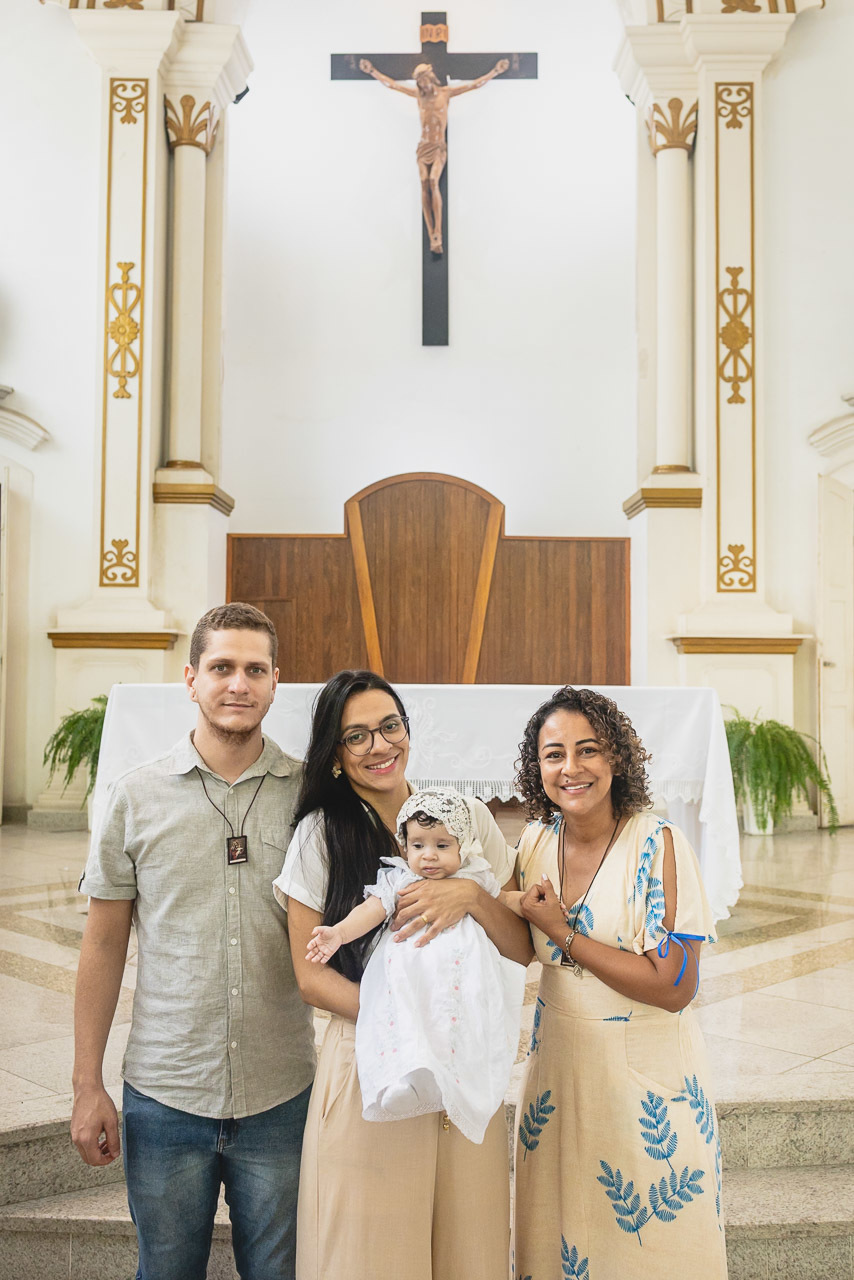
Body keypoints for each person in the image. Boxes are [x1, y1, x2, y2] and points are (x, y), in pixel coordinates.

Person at [71, 603, 315, 1280]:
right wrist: (86, 1083)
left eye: (255, 670)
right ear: (191, 679)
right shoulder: (136, 795)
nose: (238, 684)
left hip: (280, 1092)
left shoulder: (308, 795)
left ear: (274, 683)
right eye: (222, 668)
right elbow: (101, 945)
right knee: (167, 1270)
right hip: (166, 1091)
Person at [273, 669, 532, 1280]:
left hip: (462, 1057)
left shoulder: (466, 815)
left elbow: (520, 946)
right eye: (356, 736)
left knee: (472, 1253)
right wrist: (408, 1023)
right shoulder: (320, 834)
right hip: (372, 1058)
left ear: (408, 731)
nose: (379, 746)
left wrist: (470, 896)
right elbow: (310, 978)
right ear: (334, 756)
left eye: (389, 727)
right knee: (371, 1257)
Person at [511, 686, 727, 1280]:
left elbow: (675, 985)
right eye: (553, 754)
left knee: (648, 1254)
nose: (571, 768)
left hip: (644, 1082)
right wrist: (467, 896)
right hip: (558, 1077)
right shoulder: (533, 842)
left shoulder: (656, 845)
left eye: (588, 751)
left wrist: (563, 932)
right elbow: (515, 945)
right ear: (537, 766)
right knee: (559, 1236)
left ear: (617, 759)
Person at [306, 786, 526, 1143]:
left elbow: (503, 899)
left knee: (461, 1023)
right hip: (411, 972)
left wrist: (528, 902)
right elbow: (371, 910)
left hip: (460, 974)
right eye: (419, 846)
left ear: (462, 847)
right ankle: (400, 1079)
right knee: (406, 1019)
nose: (429, 856)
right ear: (404, 847)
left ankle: (461, 1082)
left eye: (442, 846)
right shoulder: (400, 879)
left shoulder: (474, 876)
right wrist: (339, 934)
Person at [358, 57, 509, 253]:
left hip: (438, 146)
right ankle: (431, 234)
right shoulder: (419, 96)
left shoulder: (445, 94)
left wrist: (495, 72)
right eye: (420, 82)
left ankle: (438, 230)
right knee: (423, 182)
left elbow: (473, 85)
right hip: (423, 146)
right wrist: (373, 72)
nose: (423, 85)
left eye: (425, 81)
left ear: (431, 78)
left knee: (432, 181)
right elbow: (393, 85)